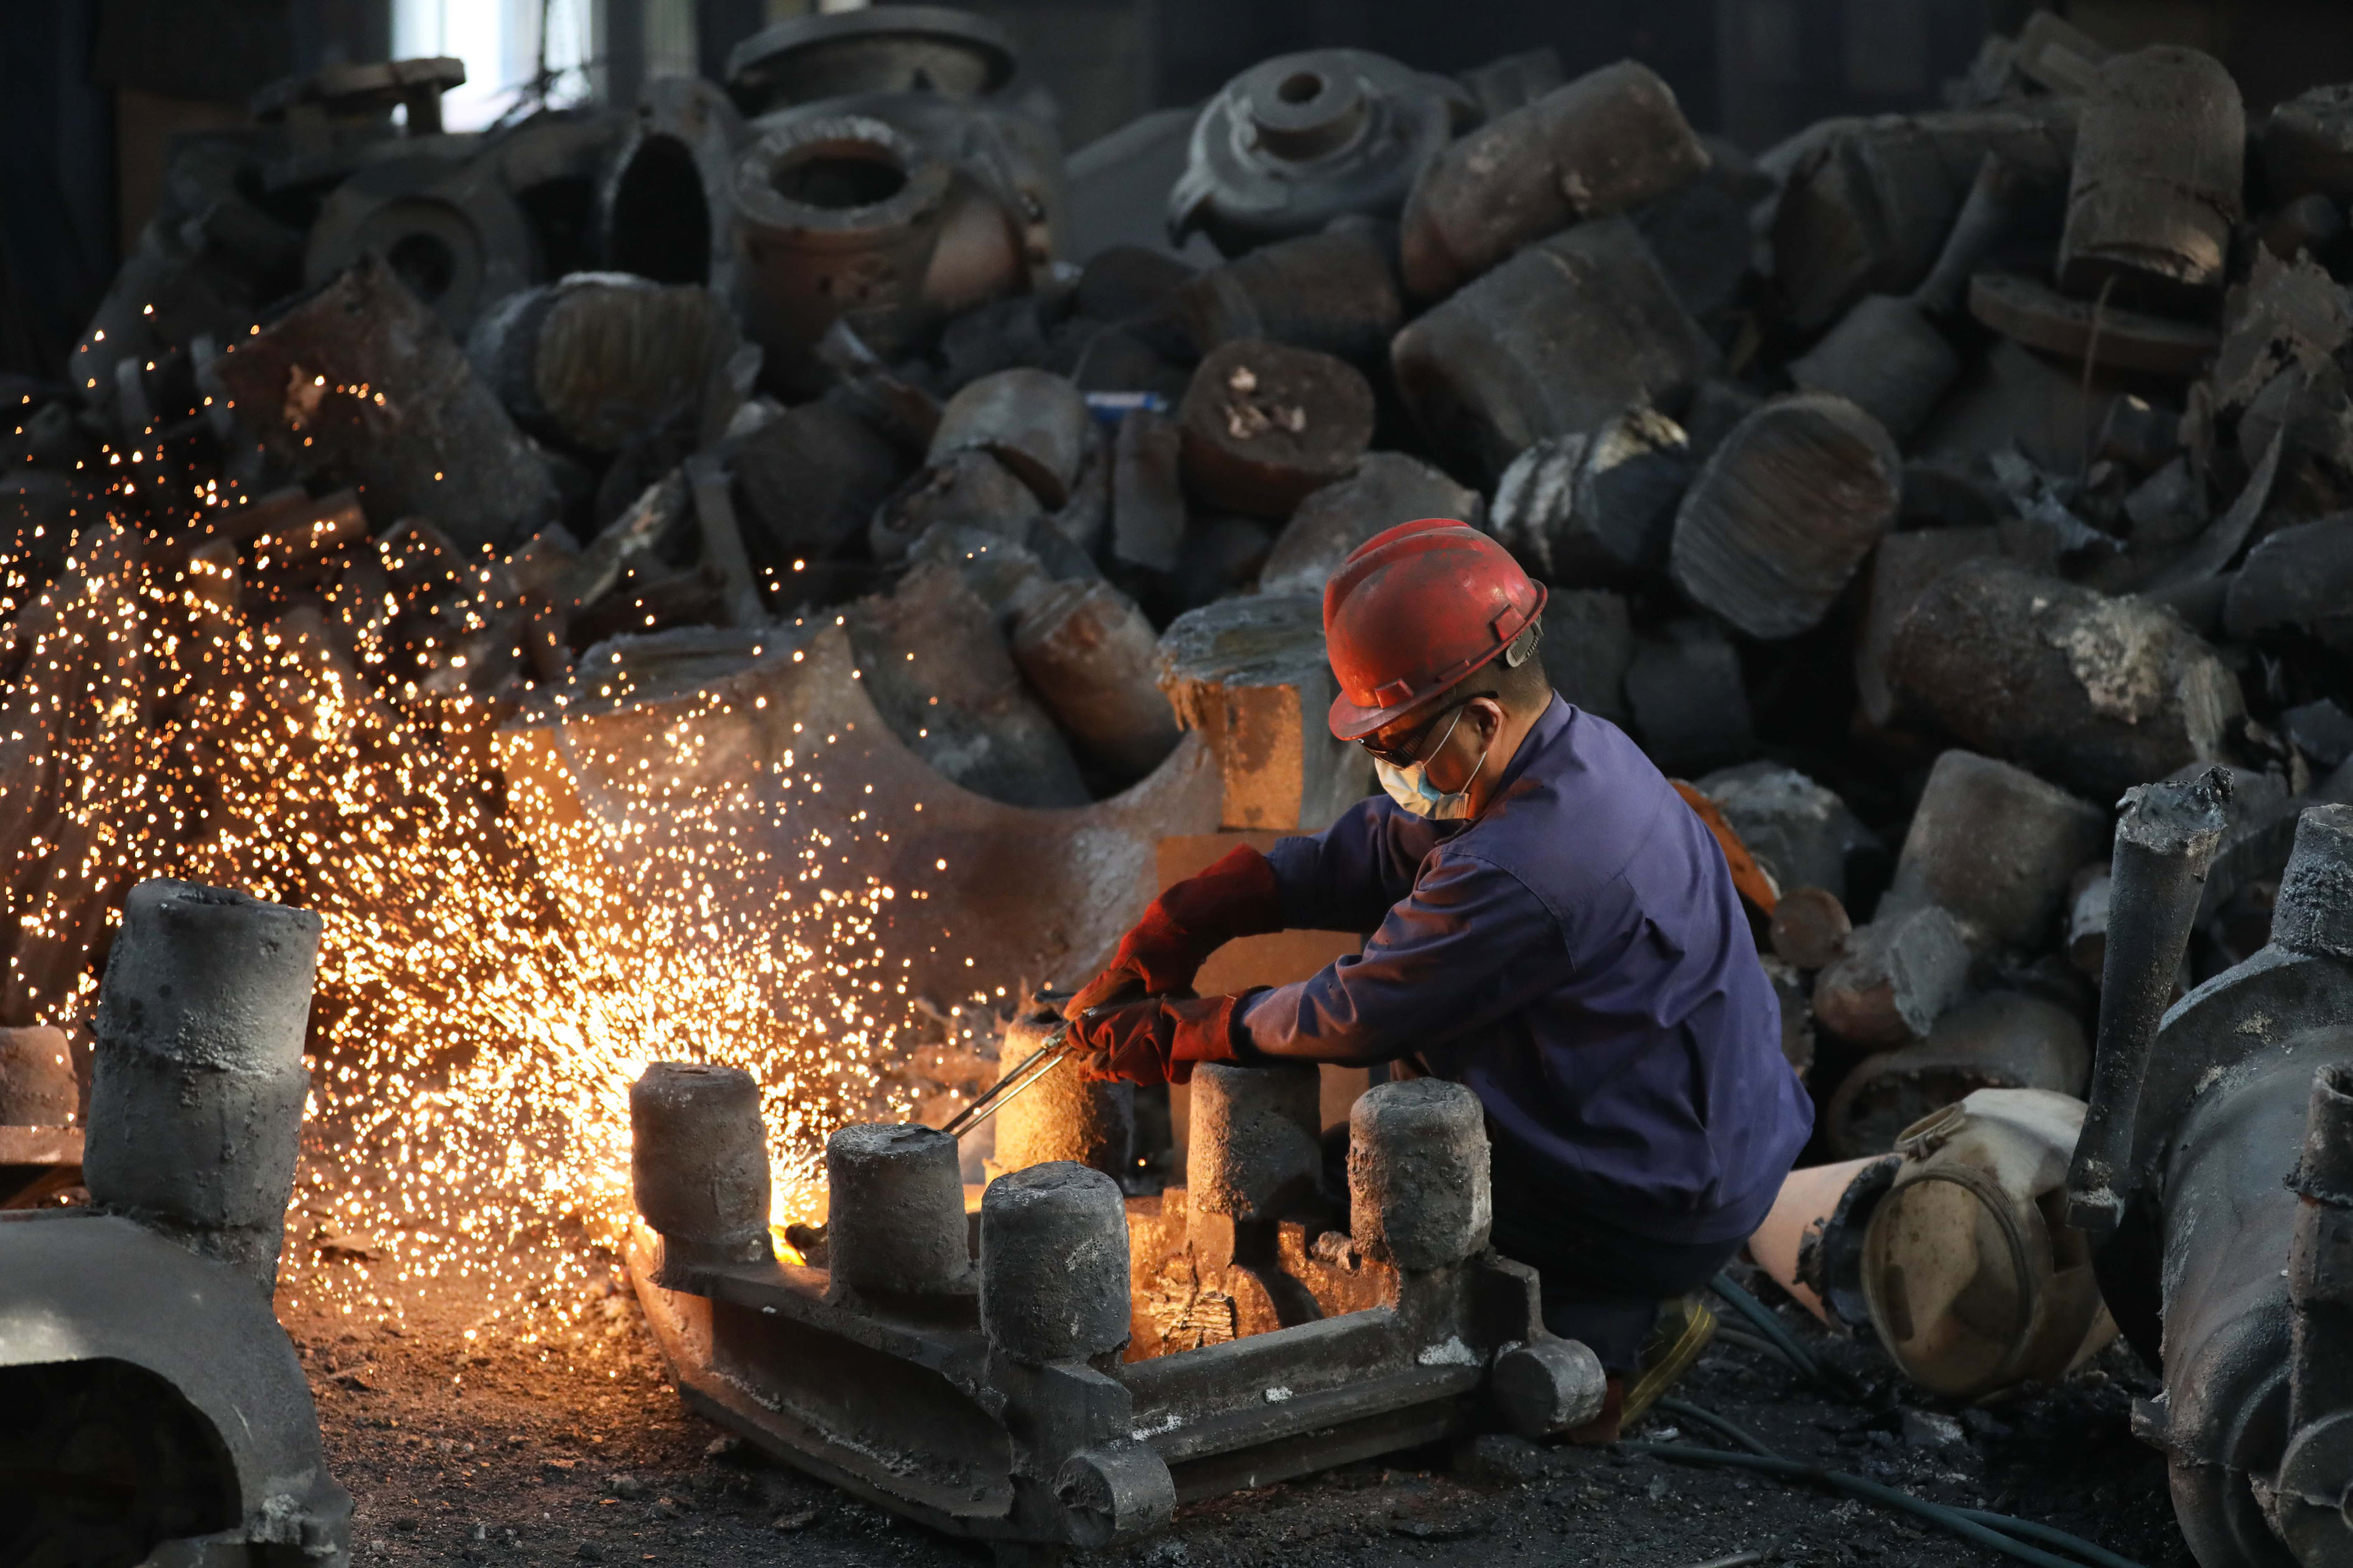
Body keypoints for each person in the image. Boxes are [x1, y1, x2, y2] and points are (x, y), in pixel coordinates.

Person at [1063, 517, 1813, 1439]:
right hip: (1702, 1125)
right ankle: (1609, 1300)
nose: (1386, 768)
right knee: (1356, 1152)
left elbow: (1359, 1008)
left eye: (1395, 744)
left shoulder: (1531, 861)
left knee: (1376, 1189)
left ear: (1479, 717)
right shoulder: (1568, 751)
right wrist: (1223, 898)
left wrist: (1194, 1030)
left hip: (1659, 1193)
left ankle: (1603, 1347)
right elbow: (1391, 845)